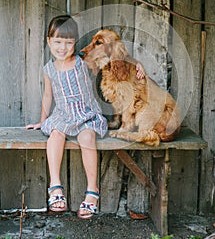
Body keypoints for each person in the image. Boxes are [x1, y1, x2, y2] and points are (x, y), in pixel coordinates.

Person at [26, 15, 145, 219]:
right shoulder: (49, 70)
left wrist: (136, 64)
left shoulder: (84, 61)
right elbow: (48, 96)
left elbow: (115, 58)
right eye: (57, 42)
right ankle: (55, 187)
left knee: (87, 138)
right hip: (63, 115)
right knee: (55, 134)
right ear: (48, 41)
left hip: (86, 115)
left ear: (75, 43)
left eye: (68, 43)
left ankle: (92, 191)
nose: (62, 48)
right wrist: (42, 119)